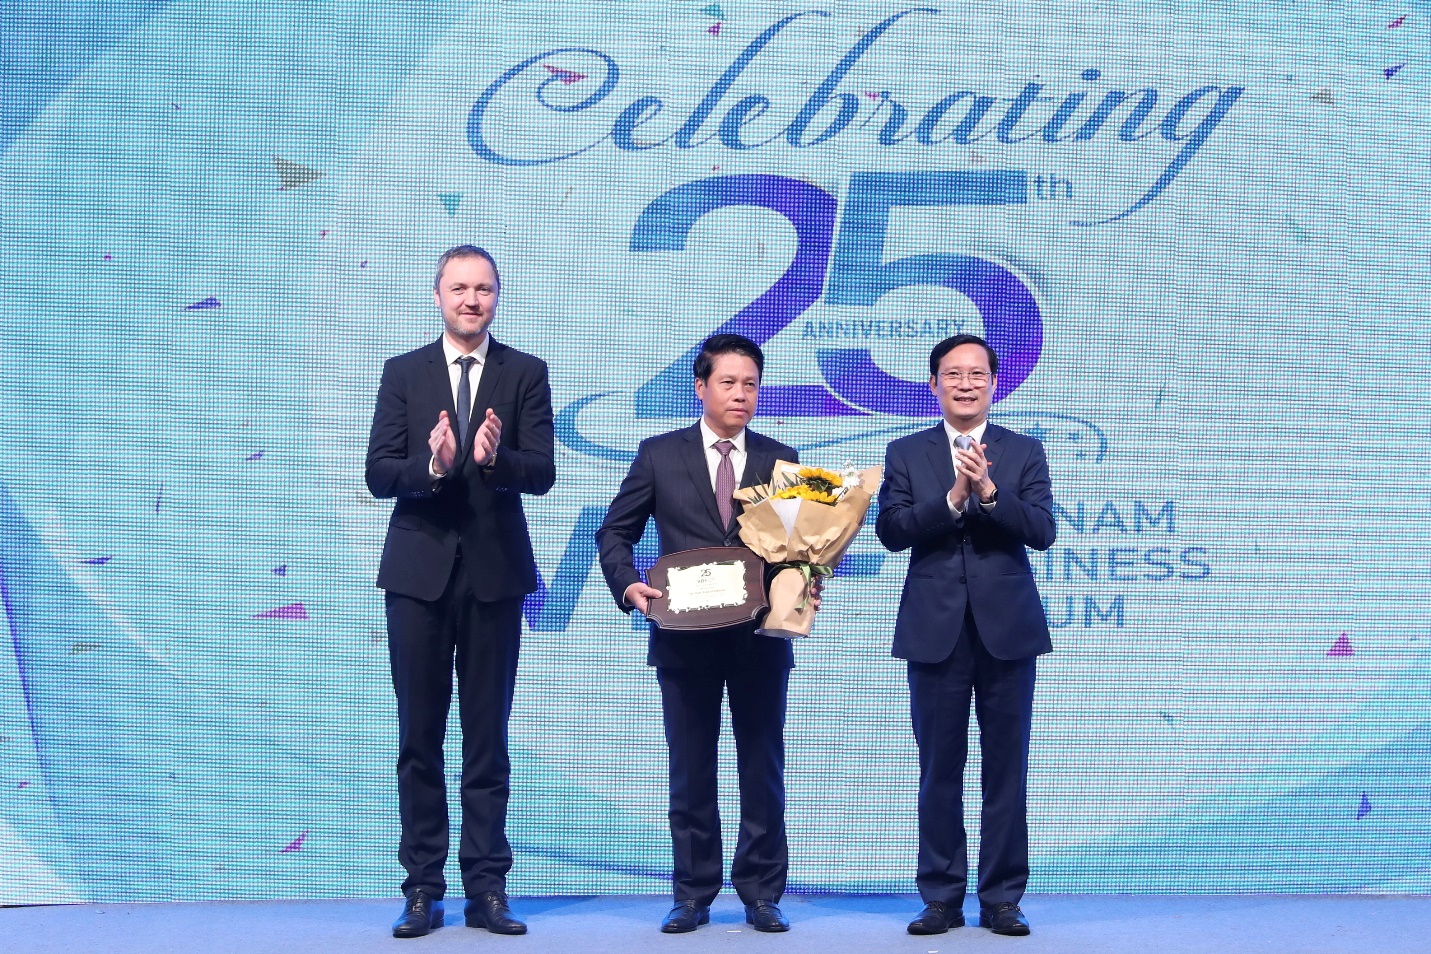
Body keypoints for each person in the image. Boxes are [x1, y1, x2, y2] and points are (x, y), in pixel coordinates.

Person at [365, 245, 554, 939]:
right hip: (417, 577)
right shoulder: (403, 372)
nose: (471, 300)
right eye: (459, 288)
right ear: (438, 295)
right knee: (419, 737)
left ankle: (488, 889)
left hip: (495, 576)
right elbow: (378, 473)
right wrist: (434, 464)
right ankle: (422, 889)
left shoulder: (525, 372)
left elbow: (542, 472)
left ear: (497, 296)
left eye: (484, 289)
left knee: (487, 738)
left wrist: (494, 459)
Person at [595, 334, 801, 934]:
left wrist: (805, 582)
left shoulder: (781, 460)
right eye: (728, 382)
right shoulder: (659, 454)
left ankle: (762, 892)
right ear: (701, 387)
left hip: (759, 639)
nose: (741, 394)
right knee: (690, 769)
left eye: (751, 384)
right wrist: (628, 585)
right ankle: (692, 892)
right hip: (682, 638)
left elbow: (799, 547)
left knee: (762, 767)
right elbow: (615, 532)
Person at [875, 334, 1055, 938]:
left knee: (1006, 770)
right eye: (953, 374)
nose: (966, 384)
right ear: (934, 385)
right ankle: (941, 898)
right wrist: (952, 499)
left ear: (994, 384)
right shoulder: (906, 452)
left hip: (1008, 632)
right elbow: (892, 531)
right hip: (935, 631)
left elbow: (1043, 531)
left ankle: (1002, 899)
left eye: (977, 374)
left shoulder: (1023, 451)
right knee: (938, 770)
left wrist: (990, 494)